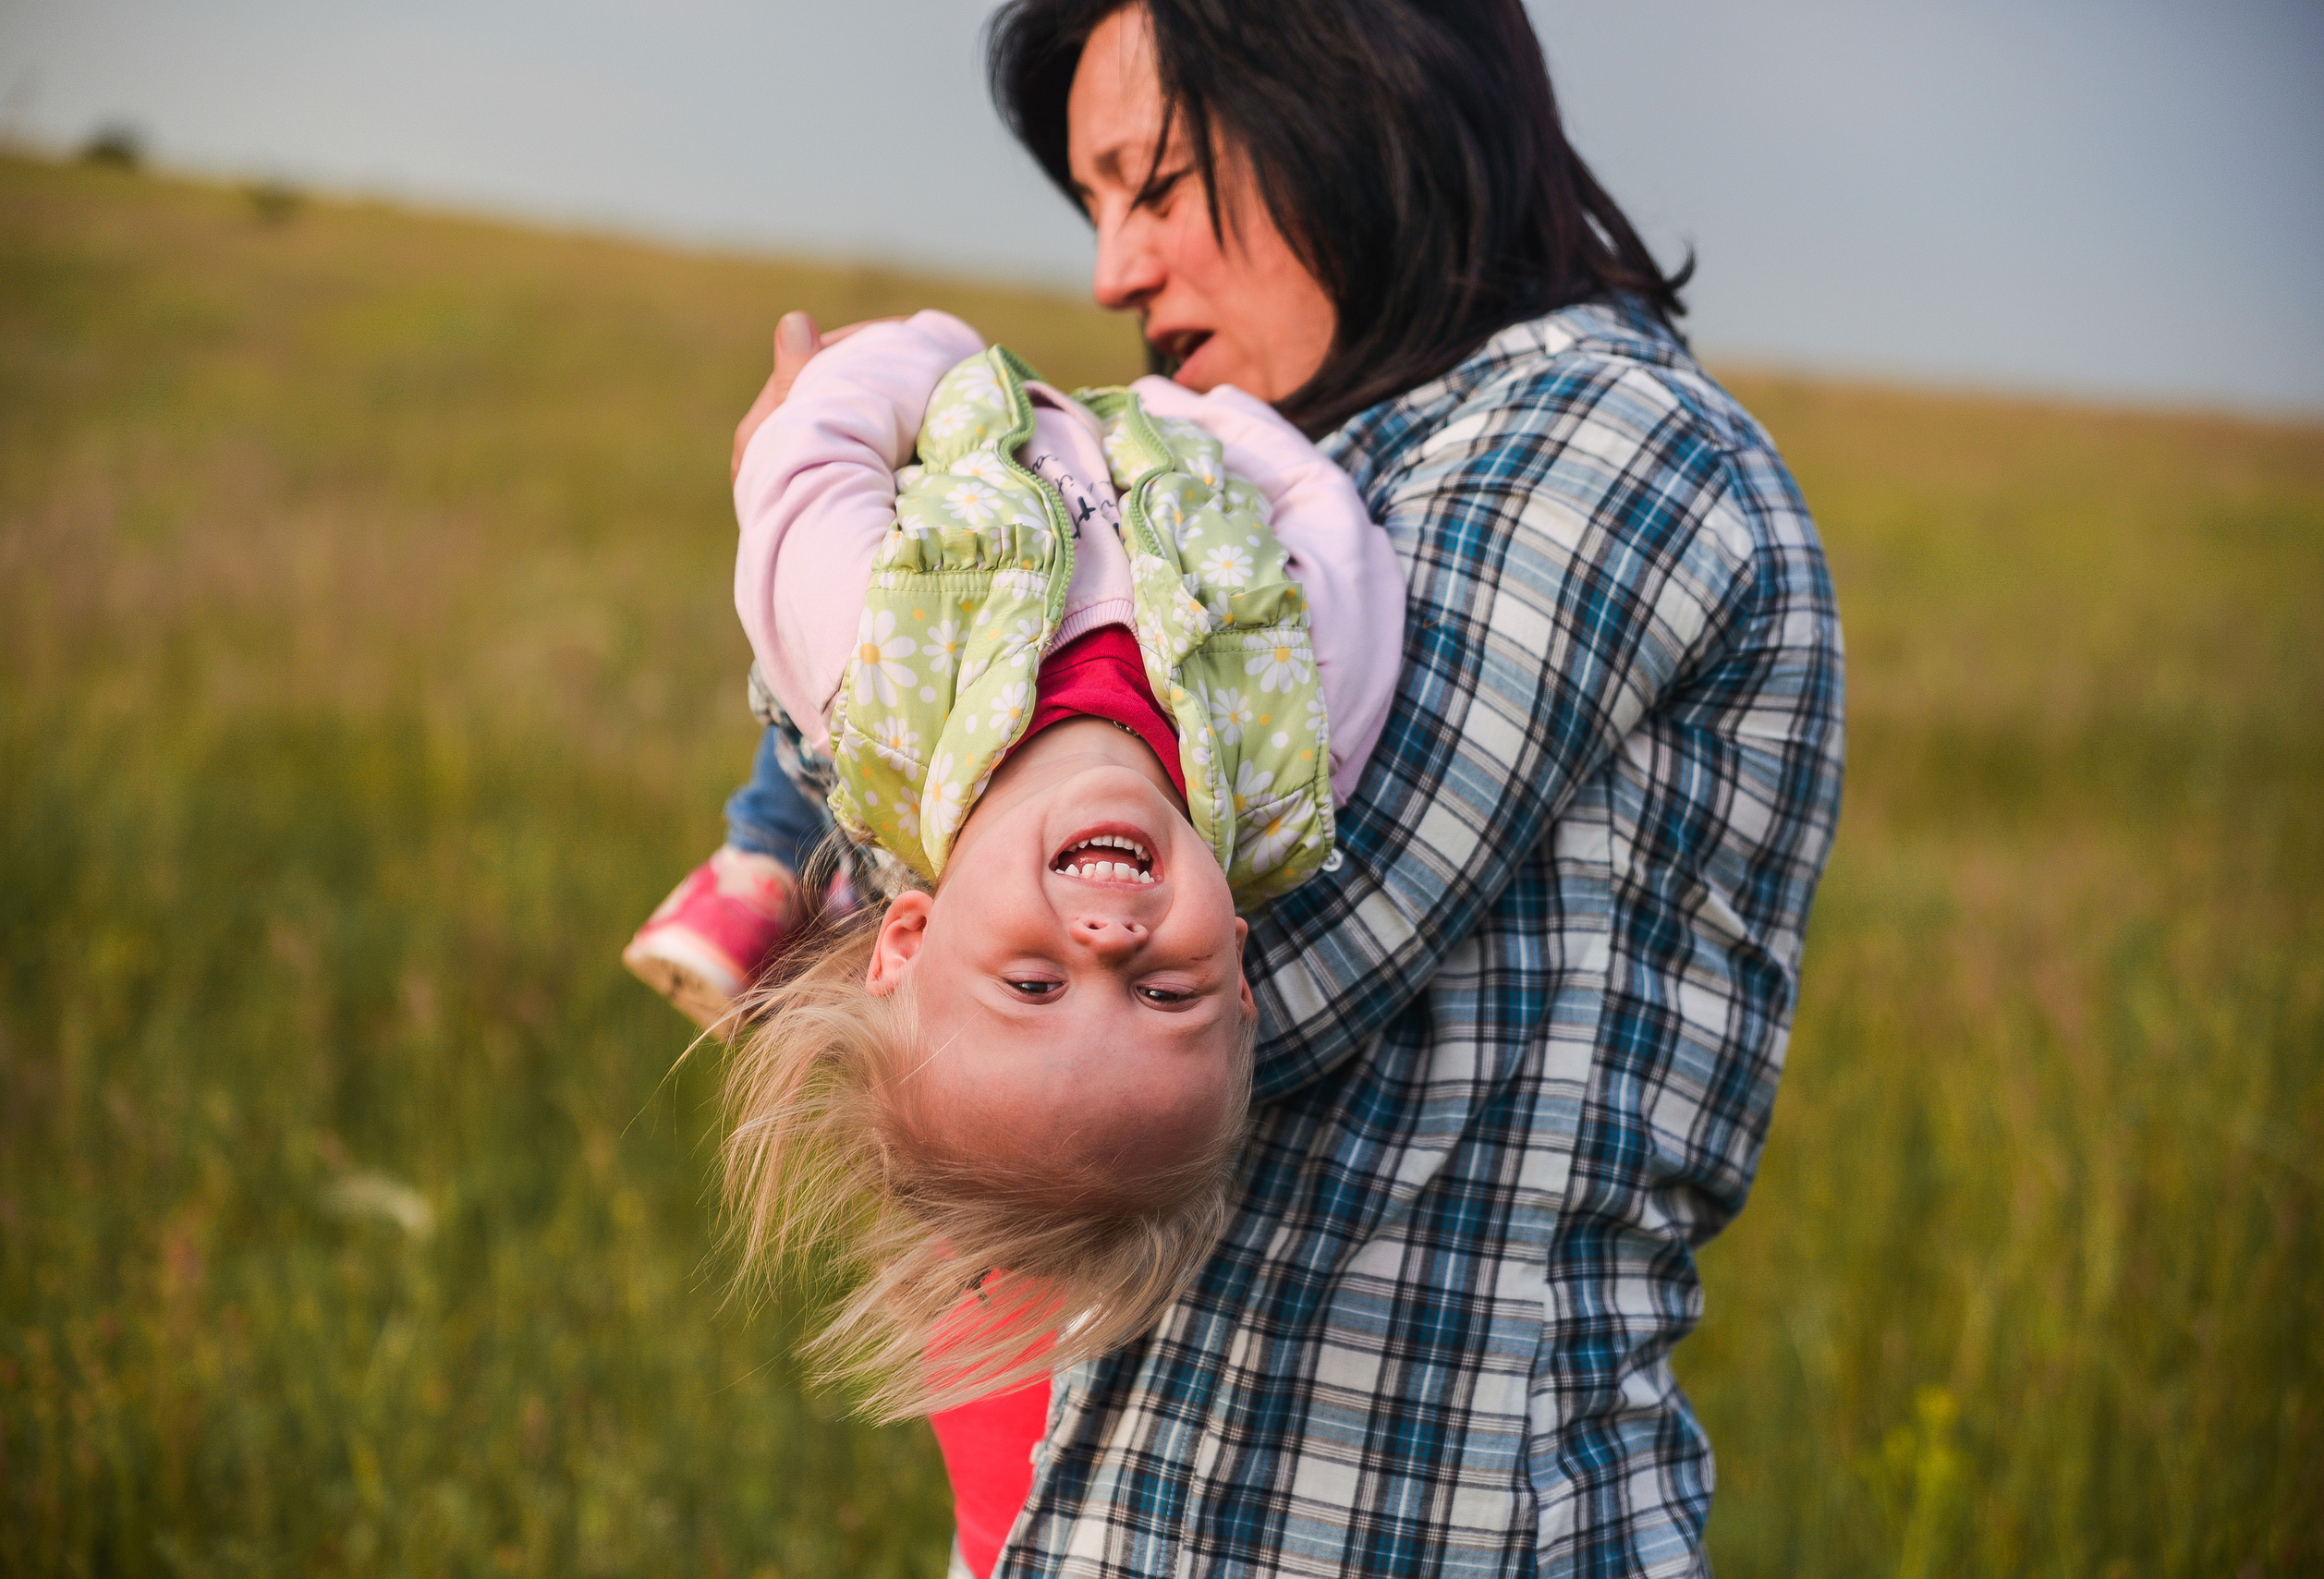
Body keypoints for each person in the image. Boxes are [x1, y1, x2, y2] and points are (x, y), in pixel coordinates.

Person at [724, 0, 1843, 1569]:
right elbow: (972, 998)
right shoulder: (1261, 478)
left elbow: (1275, 975)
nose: (1114, 271)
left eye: (1156, 182)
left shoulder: (1603, 441)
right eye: (1096, 206)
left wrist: (842, 593)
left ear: (1355, 89)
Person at [629, 303, 1408, 1492]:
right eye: (1168, 992)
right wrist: (1202, 422)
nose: (1109, 939)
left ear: (907, 933)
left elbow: (808, 462)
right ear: (1241, 968)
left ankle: (761, 861)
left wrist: (930, 357)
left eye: (1035, 984)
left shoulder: (874, 688)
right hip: (1180, 442)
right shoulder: (1296, 753)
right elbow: (1333, 533)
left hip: (966, 412)